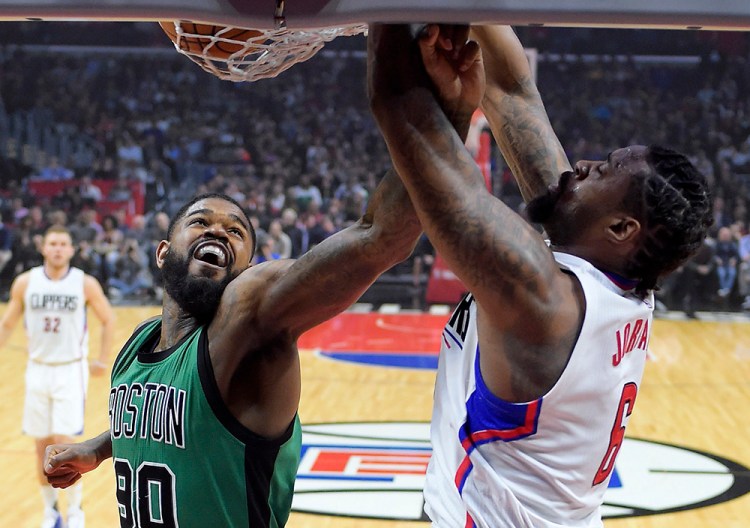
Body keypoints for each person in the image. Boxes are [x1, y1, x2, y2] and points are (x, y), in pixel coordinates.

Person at [368, 24, 713, 527]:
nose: (586, 164)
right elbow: (512, 93)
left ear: (620, 227)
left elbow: (405, 116)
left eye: (604, 171)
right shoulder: (614, 274)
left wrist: (384, 14)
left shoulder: (540, 296)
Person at [43, 180, 420, 526]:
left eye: (236, 231)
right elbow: (175, 419)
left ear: (246, 271)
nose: (218, 230)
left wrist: (425, 116)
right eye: (200, 221)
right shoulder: (139, 344)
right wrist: (98, 448)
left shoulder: (247, 331)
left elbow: (380, 237)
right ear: (163, 253)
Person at [0, 225, 115, 528]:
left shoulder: (84, 283)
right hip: (37, 368)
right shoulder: (26, 283)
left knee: (63, 444)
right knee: (41, 446)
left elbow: (108, 319)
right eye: (53, 243)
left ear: (72, 249)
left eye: (64, 243)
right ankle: (51, 510)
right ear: (43, 247)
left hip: (69, 370)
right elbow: (8, 323)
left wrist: (103, 359)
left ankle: (76, 510)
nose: (58, 249)